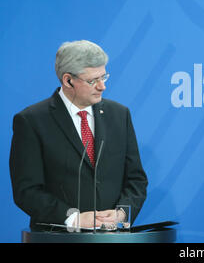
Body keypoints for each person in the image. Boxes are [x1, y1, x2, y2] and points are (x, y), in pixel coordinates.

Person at [9, 40, 148, 230]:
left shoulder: (119, 115)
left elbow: (136, 180)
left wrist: (121, 213)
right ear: (68, 80)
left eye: (104, 77)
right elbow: (27, 191)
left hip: (112, 238)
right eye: (93, 80)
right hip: (58, 237)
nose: (102, 86)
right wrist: (73, 219)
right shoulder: (32, 121)